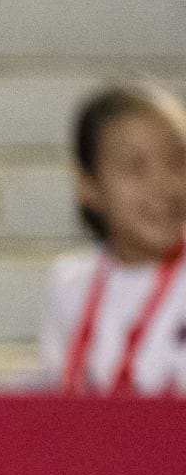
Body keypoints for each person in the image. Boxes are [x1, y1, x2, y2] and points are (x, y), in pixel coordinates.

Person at [40, 82, 186, 395]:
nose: (164, 185)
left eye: (176, 161)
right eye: (136, 167)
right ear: (89, 186)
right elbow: (56, 398)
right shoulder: (69, 284)